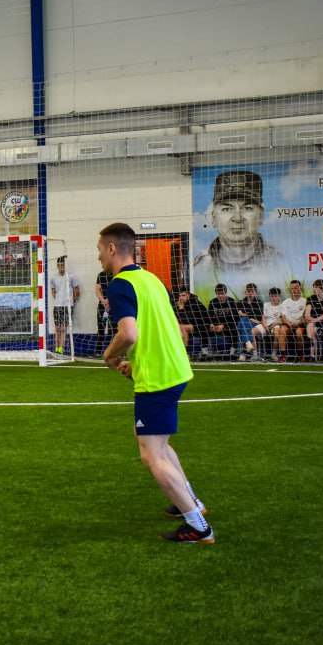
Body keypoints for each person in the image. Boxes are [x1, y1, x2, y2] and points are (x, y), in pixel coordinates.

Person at [98, 222, 214, 544]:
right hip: (174, 371)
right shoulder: (152, 279)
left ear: (112, 249)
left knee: (151, 455)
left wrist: (109, 356)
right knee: (155, 443)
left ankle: (198, 526)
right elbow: (173, 328)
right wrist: (139, 363)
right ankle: (192, 502)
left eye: (100, 250)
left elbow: (129, 334)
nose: (99, 257)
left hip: (159, 379)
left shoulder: (120, 285)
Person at [192, 169, 286, 289]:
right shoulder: (200, 266)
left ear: (261, 215)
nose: (237, 218)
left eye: (247, 208)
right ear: (214, 217)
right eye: (226, 209)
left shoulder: (279, 261)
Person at [49, 256, 80, 353]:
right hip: (57, 306)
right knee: (57, 328)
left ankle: (61, 349)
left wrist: (71, 301)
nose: (60, 267)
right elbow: (53, 290)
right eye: (59, 265)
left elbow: (77, 290)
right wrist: (58, 299)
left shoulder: (71, 276)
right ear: (57, 266)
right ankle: (56, 348)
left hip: (67, 306)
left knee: (63, 328)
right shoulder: (53, 278)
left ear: (65, 265)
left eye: (62, 265)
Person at [247, 287, 284, 361]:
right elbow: (263, 317)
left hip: (276, 325)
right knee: (252, 331)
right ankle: (255, 355)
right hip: (266, 325)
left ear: (279, 296)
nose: (273, 298)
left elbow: (283, 320)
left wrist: (275, 324)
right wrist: (265, 325)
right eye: (272, 296)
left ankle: (274, 354)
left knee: (277, 332)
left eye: (275, 296)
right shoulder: (266, 305)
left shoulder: (282, 306)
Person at [205, 284, 240, 357]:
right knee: (203, 329)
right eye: (218, 294)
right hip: (216, 325)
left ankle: (232, 352)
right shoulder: (213, 302)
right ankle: (205, 352)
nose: (220, 296)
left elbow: (235, 318)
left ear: (225, 293)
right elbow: (209, 316)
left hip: (228, 324)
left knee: (233, 329)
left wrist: (223, 325)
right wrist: (211, 324)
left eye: (222, 293)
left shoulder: (231, 301)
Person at [279, 279, 309, 362]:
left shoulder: (305, 301)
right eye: (292, 288)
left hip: (300, 324)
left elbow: (306, 317)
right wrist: (288, 323)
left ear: (300, 288)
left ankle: (301, 354)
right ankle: (283, 355)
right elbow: (283, 317)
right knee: (282, 330)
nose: (294, 290)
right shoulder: (285, 302)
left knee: (299, 333)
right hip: (288, 324)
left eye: (296, 288)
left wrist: (298, 323)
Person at [174, 289, 209, 356]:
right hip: (190, 325)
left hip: (202, 325)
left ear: (188, 295)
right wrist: (178, 308)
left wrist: (181, 309)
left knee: (182, 327)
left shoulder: (195, 303)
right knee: (179, 327)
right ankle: (180, 351)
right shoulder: (180, 304)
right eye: (179, 296)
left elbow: (187, 320)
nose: (181, 298)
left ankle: (184, 353)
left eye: (183, 295)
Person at [236, 283, 263, 361]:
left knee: (241, 324)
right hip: (246, 323)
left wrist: (245, 315)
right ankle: (247, 345)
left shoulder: (259, 302)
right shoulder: (241, 302)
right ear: (246, 292)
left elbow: (259, 317)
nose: (250, 293)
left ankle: (242, 353)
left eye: (252, 291)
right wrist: (248, 316)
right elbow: (238, 314)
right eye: (248, 291)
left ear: (255, 292)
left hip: (255, 322)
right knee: (242, 324)